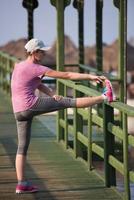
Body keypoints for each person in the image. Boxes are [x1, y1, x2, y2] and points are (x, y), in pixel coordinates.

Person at [11, 38, 114, 194]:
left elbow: (35, 83)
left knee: (22, 147)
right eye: (42, 52)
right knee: (68, 102)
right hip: (30, 105)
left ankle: (21, 184)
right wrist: (90, 77)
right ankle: (105, 97)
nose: (45, 54)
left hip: (18, 111)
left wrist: (52, 93)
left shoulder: (18, 66)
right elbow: (66, 74)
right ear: (34, 52)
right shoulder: (36, 68)